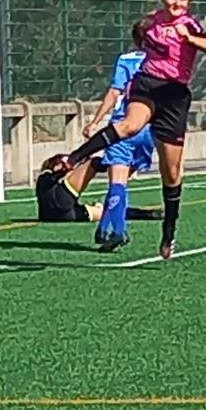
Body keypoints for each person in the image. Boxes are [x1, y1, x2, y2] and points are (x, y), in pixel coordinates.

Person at [59, 0, 206, 260]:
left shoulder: (190, 24)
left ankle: (169, 231)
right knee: (129, 126)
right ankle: (74, 158)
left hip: (174, 96)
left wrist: (189, 38)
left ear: (188, 2)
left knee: (171, 172)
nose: (177, 3)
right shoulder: (151, 24)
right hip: (148, 85)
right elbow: (139, 48)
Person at [85, 14, 158, 252]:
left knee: (117, 182)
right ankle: (103, 228)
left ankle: (117, 231)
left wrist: (96, 121)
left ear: (135, 40)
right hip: (148, 128)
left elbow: (114, 92)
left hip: (123, 125)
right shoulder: (163, 62)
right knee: (121, 182)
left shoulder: (126, 60)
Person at [34, 153, 162, 224]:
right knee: (93, 162)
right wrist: (68, 165)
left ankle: (148, 214)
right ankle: (119, 167)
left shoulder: (48, 181)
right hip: (58, 202)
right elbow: (53, 177)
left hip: (61, 216)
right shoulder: (45, 177)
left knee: (110, 211)